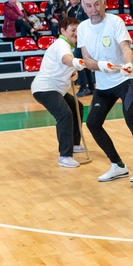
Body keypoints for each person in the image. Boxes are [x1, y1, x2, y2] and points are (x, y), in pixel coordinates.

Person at [77, 0, 133, 184]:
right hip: (104, 84)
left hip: (124, 79)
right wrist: (101, 65)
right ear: (83, 7)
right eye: (89, 6)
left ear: (104, 4)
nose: (94, 9)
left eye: (97, 4)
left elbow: (126, 48)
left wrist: (128, 64)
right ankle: (117, 165)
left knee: (131, 119)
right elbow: (86, 59)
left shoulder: (115, 22)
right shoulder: (83, 28)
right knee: (93, 123)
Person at [31, 17, 86, 168]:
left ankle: (74, 144)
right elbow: (66, 59)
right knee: (64, 114)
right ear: (62, 31)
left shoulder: (68, 46)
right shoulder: (62, 44)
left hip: (56, 89)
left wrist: (72, 73)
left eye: (78, 30)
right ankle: (65, 156)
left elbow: (64, 66)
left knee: (77, 107)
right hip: (46, 88)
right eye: (73, 30)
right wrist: (76, 63)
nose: (76, 33)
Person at [67, 0, 94, 97]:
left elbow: (88, 22)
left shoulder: (83, 8)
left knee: (79, 62)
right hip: (76, 39)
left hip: (84, 39)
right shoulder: (69, 8)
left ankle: (84, 87)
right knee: (84, 63)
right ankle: (91, 87)